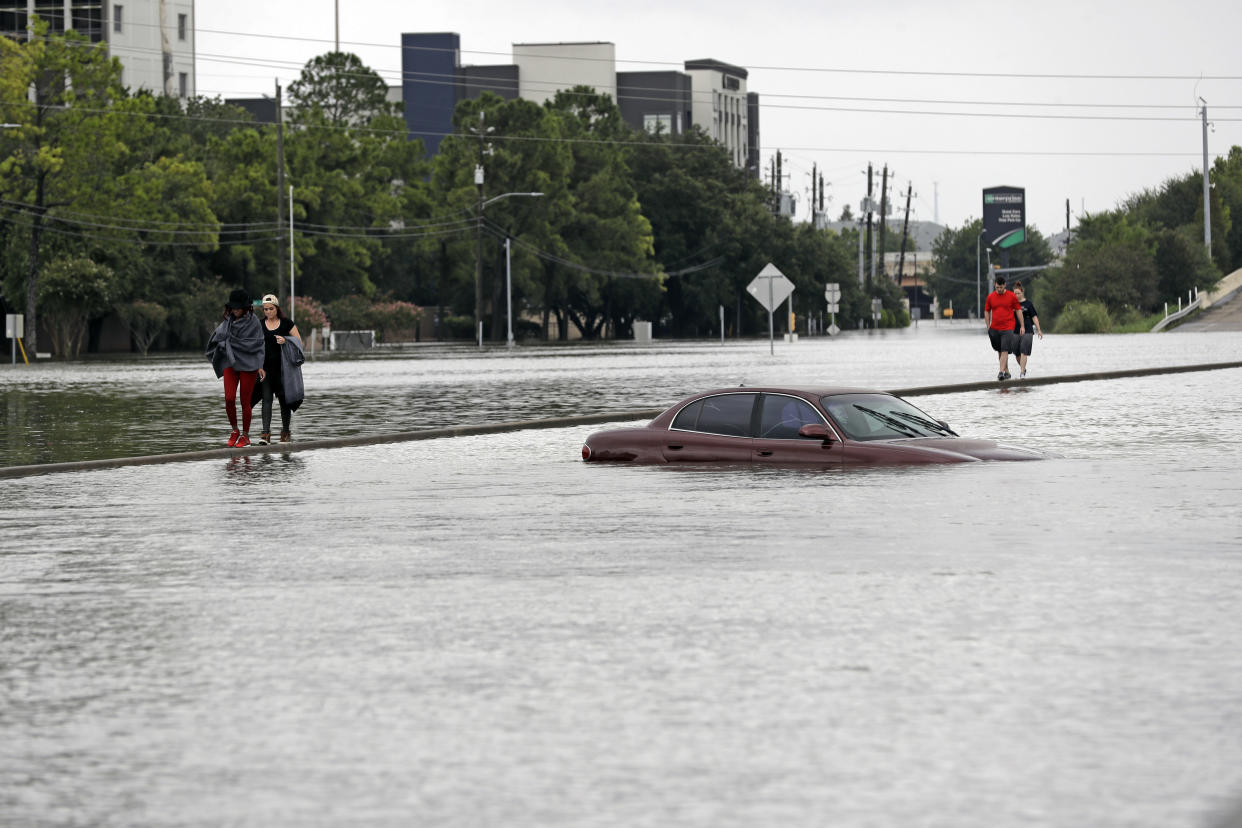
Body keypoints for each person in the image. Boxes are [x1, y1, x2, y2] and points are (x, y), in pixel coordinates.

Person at [206, 288, 265, 447]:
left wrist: (260, 366)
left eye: (238, 307)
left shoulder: (254, 323)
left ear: (246, 307)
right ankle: (235, 430)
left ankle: (245, 436)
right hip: (230, 363)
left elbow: (259, 344)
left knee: (245, 401)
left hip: (249, 364)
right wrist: (221, 344)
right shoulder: (228, 321)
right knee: (229, 398)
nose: (235, 310)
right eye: (233, 307)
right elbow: (218, 337)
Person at [251, 293, 304, 443]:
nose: (268, 312)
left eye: (271, 309)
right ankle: (265, 434)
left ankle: (285, 432)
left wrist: (286, 340)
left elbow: (299, 343)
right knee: (266, 400)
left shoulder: (287, 323)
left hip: (284, 371)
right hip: (265, 370)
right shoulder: (259, 325)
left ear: (277, 308)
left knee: (284, 401)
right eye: (265, 309)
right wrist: (257, 366)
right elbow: (254, 347)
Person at [983, 274, 1024, 381]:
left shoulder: (1011, 296)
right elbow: (987, 311)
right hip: (995, 328)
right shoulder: (990, 297)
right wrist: (988, 326)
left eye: (1001, 287)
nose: (999, 289)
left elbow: (1019, 311)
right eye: (997, 287)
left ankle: (1000, 372)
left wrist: (1022, 325)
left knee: (1005, 349)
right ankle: (1006, 371)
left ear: (1005, 285)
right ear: (994, 285)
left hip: (1008, 327)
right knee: (1000, 351)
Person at [1010, 282, 1044, 379]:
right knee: (1016, 353)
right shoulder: (1012, 304)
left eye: (1018, 293)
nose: (1016, 295)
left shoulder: (1028, 304)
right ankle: (1023, 368)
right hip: (1015, 330)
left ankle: (1022, 373)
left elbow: (1034, 317)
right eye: (1014, 293)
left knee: (1023, 351)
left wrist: (1039, 330)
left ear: (1022, 292)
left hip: (1027, 330)